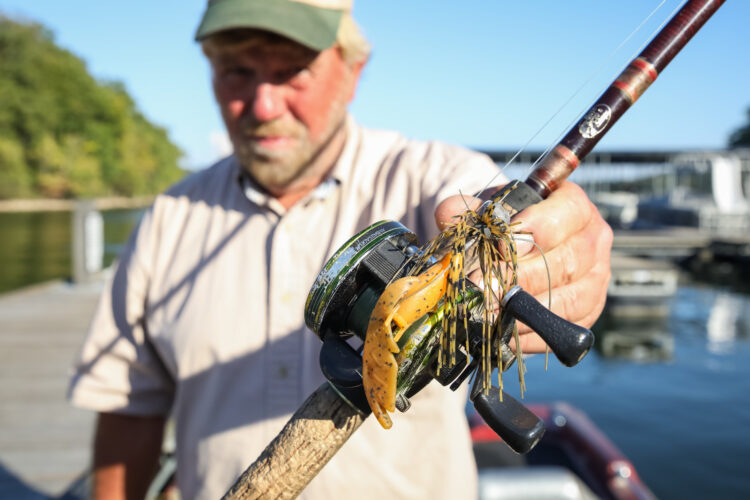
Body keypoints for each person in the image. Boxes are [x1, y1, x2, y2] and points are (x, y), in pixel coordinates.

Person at [68, 1, 613, 499]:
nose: (263, 104)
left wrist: (553, 255)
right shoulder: (168, 218)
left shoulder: (435, 175)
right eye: (237, 70)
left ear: (353, 70)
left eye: (292, 70)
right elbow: (128, 410)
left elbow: (495, 208)